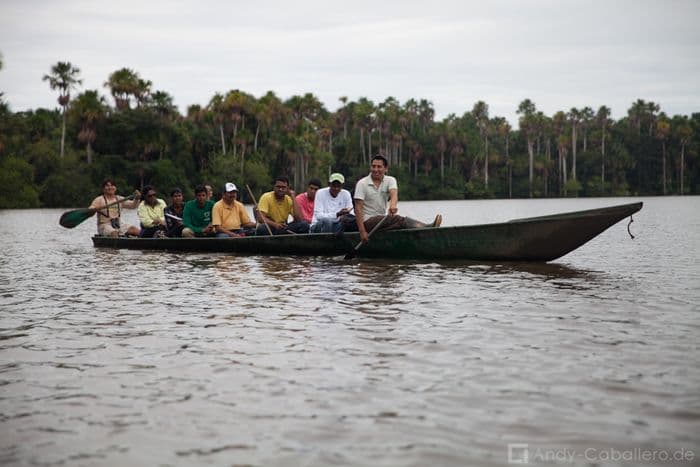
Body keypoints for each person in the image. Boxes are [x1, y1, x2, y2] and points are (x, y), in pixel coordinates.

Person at [354, 155, 442, 243]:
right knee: (397, 219)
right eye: (373, 166)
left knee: (398, 224)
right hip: (366, 221)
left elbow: (394, 194)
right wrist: (362, 232)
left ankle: (422, 235)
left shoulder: (390, 180)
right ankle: (426, 228)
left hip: (382, 220)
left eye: (379, 167)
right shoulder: (362, 184)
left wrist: (392, 206)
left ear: (386, 169)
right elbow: (358, 209)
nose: (375, 169)